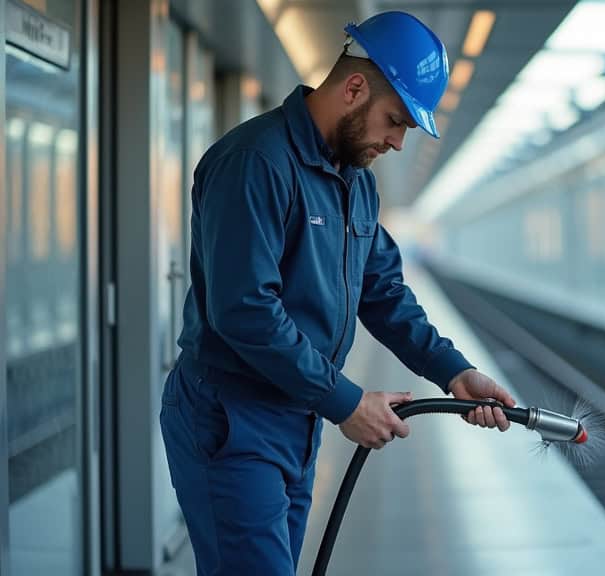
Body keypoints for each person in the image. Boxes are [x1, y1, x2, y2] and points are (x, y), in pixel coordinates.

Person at [159, 11, 515, 575]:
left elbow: (384, 293)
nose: (398, 142)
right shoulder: (256, 163)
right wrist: (345, 402)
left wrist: (453, 372)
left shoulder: (355, 183)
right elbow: (244, 309)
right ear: (354, 87)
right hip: (232, 418)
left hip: (295, 415)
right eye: (395, 121)